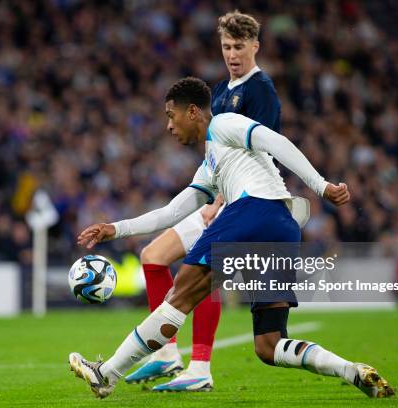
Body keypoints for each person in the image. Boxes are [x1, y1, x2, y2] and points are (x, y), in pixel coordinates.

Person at [70, 77, 394, 400]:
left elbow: (275, 142)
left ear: (193, 112)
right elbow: (171, 213)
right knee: (269, 345)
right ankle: (350, 369)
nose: (168, 125)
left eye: (171, 115)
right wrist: (116, 228)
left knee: (179, 297)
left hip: (253, 210)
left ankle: (107, 373)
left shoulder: (224, 123)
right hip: (282, 227)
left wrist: (321, 185)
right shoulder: (210, 166)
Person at [126, 11, 283, 392]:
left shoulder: (260, 90)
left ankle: (199, 366)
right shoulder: (221, 92)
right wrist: (211, 193)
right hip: (220, 197)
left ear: (255, 47)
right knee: (153, 256)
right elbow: (217, 157)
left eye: (239, 46)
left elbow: (260, 152)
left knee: (203, 269)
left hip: (245, 201)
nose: (232, 54)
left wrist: (223, 201)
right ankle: (167, 356)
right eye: (227, 46)